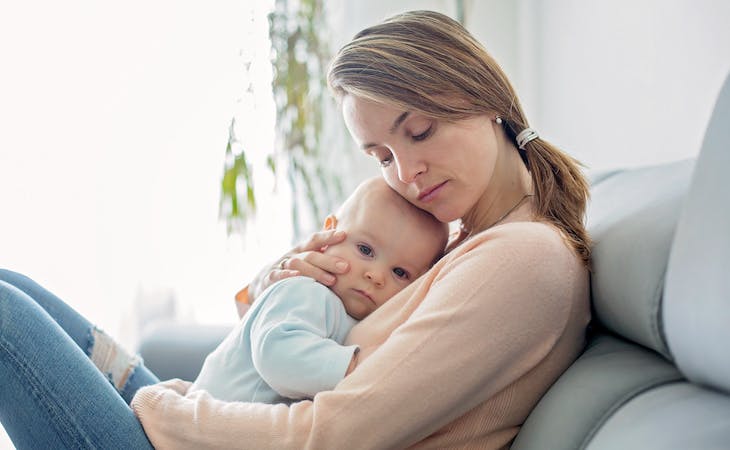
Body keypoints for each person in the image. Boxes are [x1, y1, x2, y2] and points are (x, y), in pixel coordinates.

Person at [0, 10, 591, 449]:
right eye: (381, 155)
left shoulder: (524, 260)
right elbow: (300, 338)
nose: (406, 173)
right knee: (13, 285)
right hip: (237, 420)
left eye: (420, 130)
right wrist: (276, 286)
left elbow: (331, 434)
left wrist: (161, 407)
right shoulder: (465, 241)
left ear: (485, 98)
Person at [189, 177, 448, 404]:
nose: (376, 276)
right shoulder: (306, 291)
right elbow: (276, 355)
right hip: (190, 427)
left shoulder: (369, 318)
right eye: (365, 250)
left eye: (400, 273)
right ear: (329, 232)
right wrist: (355, 366)